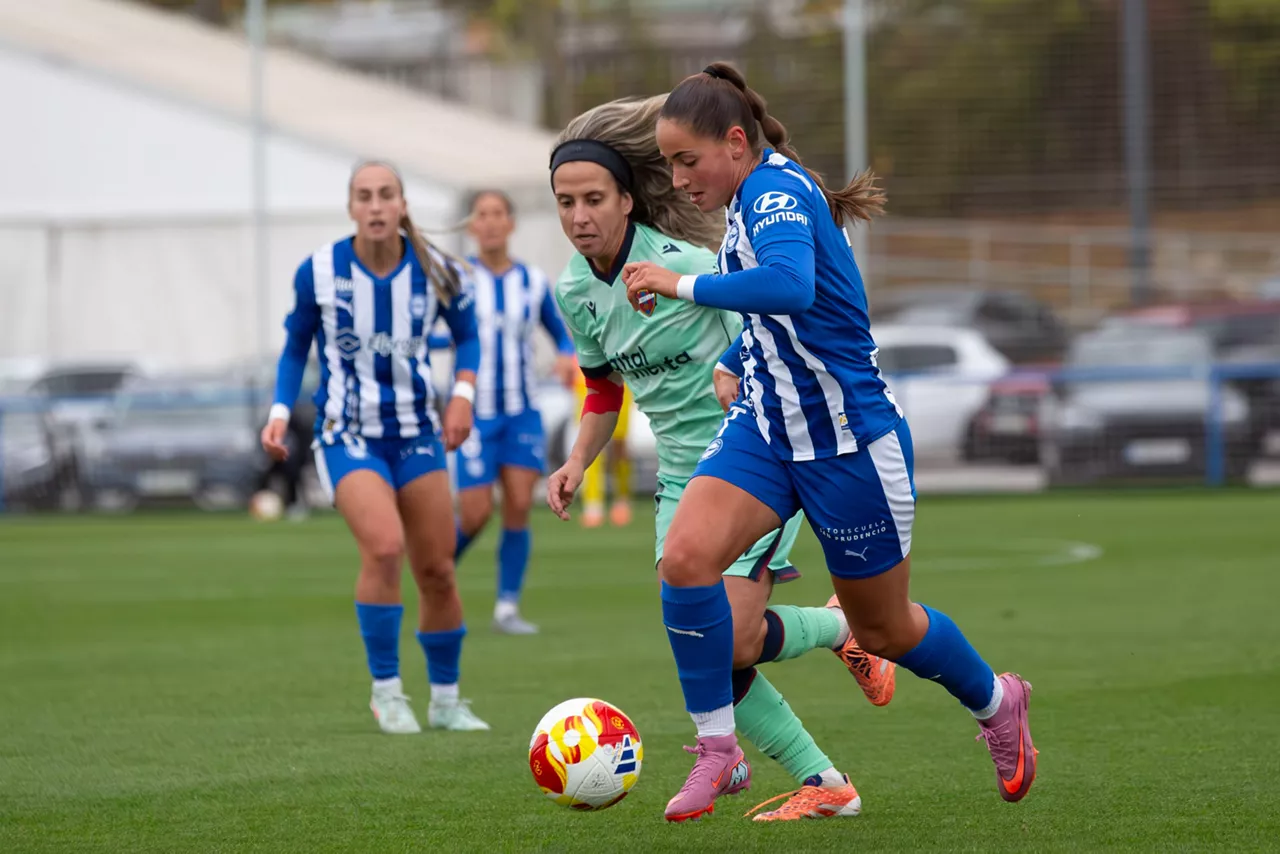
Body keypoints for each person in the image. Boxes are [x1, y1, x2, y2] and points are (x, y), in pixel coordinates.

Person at [618, 62, 1037, 821]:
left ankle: (996, 701)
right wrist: (734, 358)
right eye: (669, 163)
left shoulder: (775, 193)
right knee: (684, 559)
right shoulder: (748, 195)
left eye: (687, 160)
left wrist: (679, 284)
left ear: (735, 143)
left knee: (885, 627)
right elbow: (789, 312)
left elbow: (791, 288)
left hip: (848, 443)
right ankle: (718, 750)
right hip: (768, 432)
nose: (678, 178)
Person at [544, 96, 897, 823]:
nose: (579, 216)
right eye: (564, 203)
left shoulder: (686, 265)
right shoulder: (573, 290)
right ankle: (825, 781)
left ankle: (842, 631)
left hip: (752, 460)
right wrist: (578, 461)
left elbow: (774, 317)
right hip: (681, 481)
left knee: (728, 637)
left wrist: (735, 357)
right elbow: (603, 387)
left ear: (626, 200)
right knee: (711, 650)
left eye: (593, 199)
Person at [262, 160, 490, 735]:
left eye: (386, 195)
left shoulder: (436, 268)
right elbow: (294, 349)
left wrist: (462, 395)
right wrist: (280, 412)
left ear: (403, 204)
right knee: (386, 548)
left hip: (417, 433)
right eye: (364, 196)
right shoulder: (318, 272)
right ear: (351, 208)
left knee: (437, 568)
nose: (376, 206)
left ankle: (445, 699)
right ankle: (387, 692)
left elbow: (467, 337)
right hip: (348, 433)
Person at [446, 188, 577, 635]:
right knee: (477, 512)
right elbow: (432, 331)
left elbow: (559, 331)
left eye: (498, 213)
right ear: (471, 226)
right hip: (476, 414)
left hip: (522, 410)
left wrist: (564, 354)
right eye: (481, 214)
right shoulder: (457, 280)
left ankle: (507, 608)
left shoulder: (533, 281)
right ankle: (438, 576)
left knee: (520, 504)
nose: (490, 222)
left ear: (511, 223)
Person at [572, 368, 632, 528]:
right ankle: (593, 504)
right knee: (589, 443)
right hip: (585, 378)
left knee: (619, 445)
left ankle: (622, 498)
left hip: (620, 375)